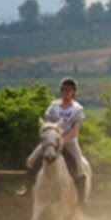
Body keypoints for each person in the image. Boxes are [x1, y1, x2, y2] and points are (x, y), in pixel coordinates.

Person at [24, 77, 89, 206]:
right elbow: (48, 123)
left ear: (73, 92)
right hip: (51, 140)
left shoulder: (77, 109)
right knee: (31, 160)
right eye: (64, 90)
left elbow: (75, 130)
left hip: (69, 140)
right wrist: (52, 138)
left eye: (69, 91)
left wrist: (64, 140)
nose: (66, 93)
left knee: (80, 167)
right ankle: (28, 188)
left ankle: (82, 198)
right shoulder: (53, 106)